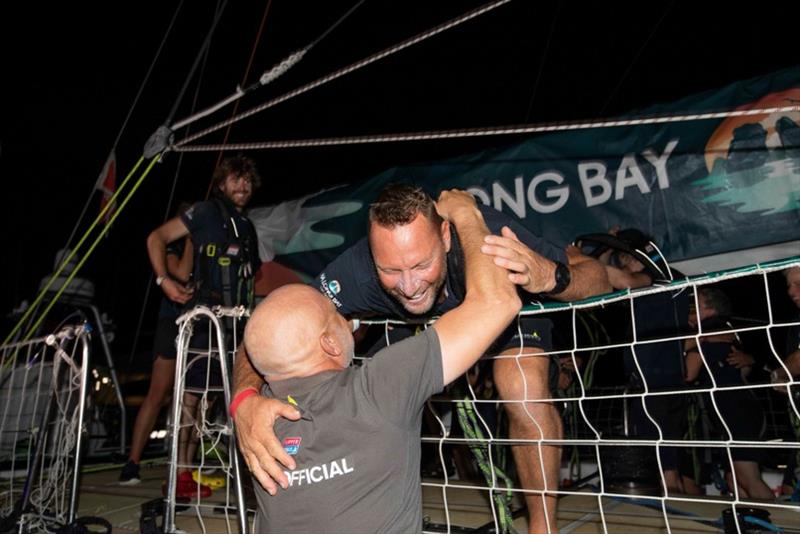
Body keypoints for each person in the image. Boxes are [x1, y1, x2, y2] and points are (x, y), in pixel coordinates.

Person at [233, 183, 610, 532]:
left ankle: (542, 525)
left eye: (420, 265)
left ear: (446, 236)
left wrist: (550, 277)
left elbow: (596, 279)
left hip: (502, 310)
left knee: (519, 381)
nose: (410, 284)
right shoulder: (358, 268)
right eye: (390, 270)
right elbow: (270, 332)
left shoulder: (489, 229)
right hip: (413, 324)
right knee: (370, 394)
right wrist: (244, 403)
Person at [145, 155, 262, 499]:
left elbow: (251, 277)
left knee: (219, 398)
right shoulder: (206, 212)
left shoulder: (248, 227)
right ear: (222, 183)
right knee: (190, 398)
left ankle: (201, 469)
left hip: (235, 323)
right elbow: (156, 237)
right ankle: (179, 473)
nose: (242, 186)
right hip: (203, 319)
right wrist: (164, 280)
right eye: (235, 179)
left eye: (247, 180)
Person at [589, 227, 691, 495]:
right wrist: (605, 249)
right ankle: (676, 501)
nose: (625, 263)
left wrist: (586, 259)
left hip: (658, 377)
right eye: (621, 259)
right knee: (663, 453)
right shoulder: (649, 280)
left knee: (662, 456)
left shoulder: (663, 275)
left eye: (628, 257)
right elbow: (597, 288)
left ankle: (675, 504)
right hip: (652, 377)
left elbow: (620, 279)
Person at [119, 204, 193, 485]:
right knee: (158, 393)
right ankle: (132, 462)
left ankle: (183, 465)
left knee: (191, 396)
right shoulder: (174, 245)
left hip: (197, 323)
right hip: (171, 321)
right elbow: (182, 274)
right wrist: (191, 238)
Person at [684, 285, 773, 500]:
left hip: (735, 411)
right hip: (738, 409)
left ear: (711, 309)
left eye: (695, 305)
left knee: (745, 477)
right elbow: (745, 368)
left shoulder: (712, 331)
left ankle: (780, 524)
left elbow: (688, 374)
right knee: (735, 478)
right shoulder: (724, 331)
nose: (689, 309)